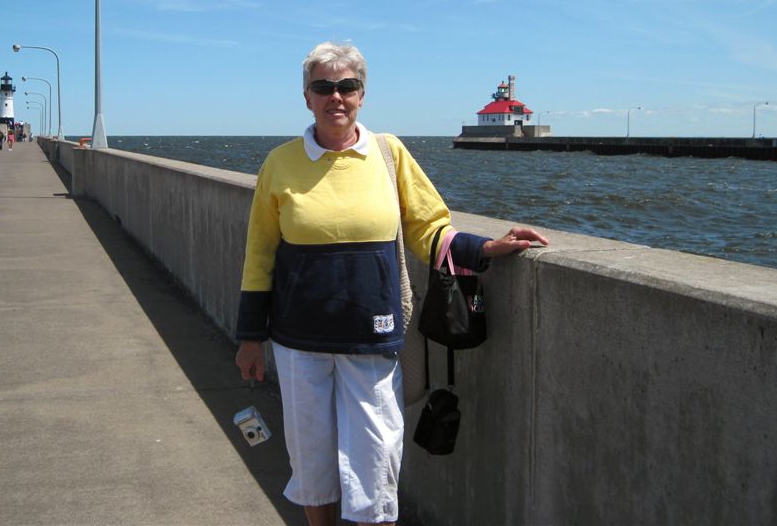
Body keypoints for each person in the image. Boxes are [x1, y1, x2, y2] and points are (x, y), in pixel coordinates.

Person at [234, 42, 549, 526]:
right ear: (306, 96)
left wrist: (484, 247)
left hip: (374, 336)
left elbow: (428, 227)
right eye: (323, 86)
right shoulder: (279, 163)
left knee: (376, 464)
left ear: (361, 95)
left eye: (347, 86)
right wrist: (250, 337)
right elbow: (259, 255)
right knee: (312, 461)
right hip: (299, 341)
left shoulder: (389, 153)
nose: (335, 96)